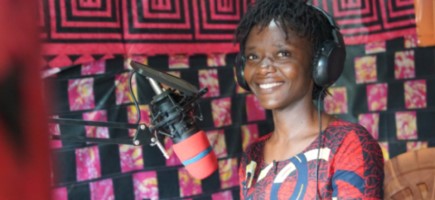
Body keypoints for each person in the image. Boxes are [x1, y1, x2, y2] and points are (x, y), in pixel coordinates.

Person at [234, 0, 384, 199]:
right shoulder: (252, 155)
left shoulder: (348, 143)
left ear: (319, 64)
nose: (263, 68)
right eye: (253, 57)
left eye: (282, 54)